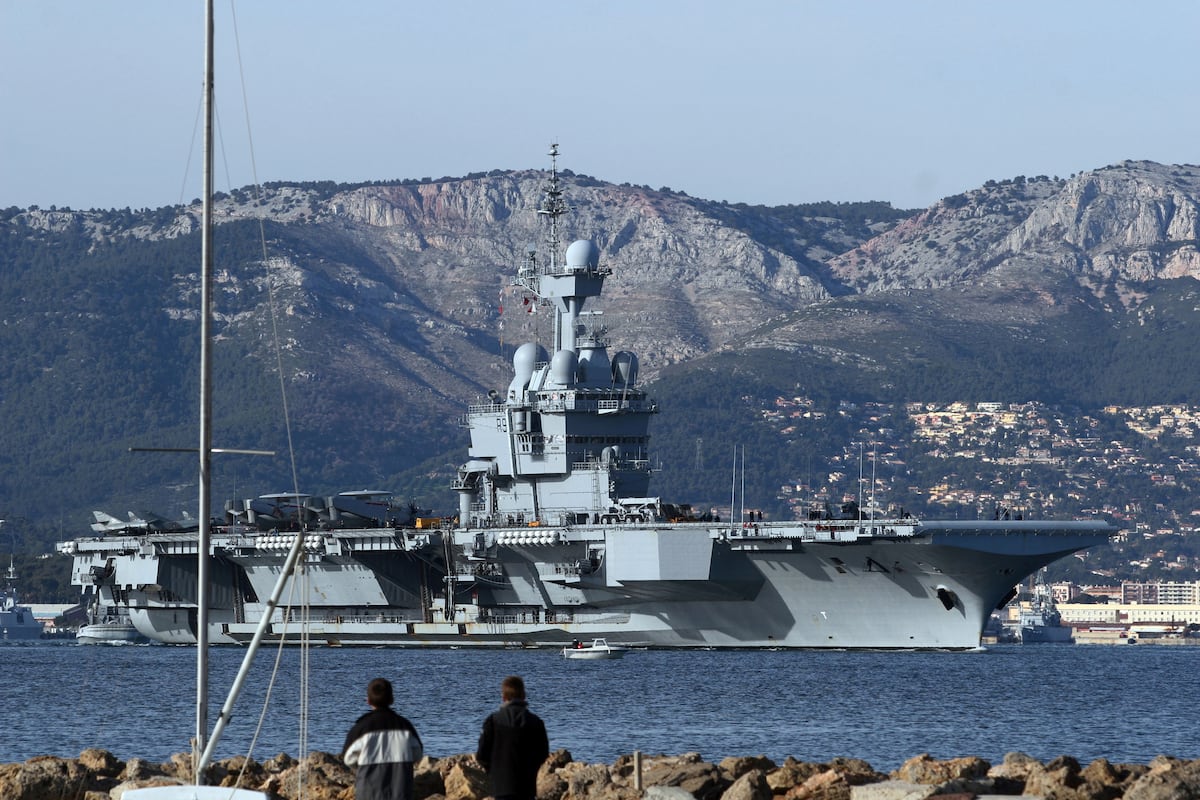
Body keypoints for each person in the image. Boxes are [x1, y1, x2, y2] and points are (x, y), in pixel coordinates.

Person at [342, 677, 424, 800]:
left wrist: (362, 767)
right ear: (392, 699)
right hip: (400, 792)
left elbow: (348, 758)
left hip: (368, 793)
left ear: (368, 701)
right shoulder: (405, 726)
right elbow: (417, 753)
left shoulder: (361, 728)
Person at [475, 675, 550, 800]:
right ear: (523, 696)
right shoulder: (536, 722)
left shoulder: (492, 721)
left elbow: (482, 755)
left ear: (503, 697)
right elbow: (542, 753)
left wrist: (493, 772)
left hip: (501, 787)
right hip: (526, 788)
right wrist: (531, 770)